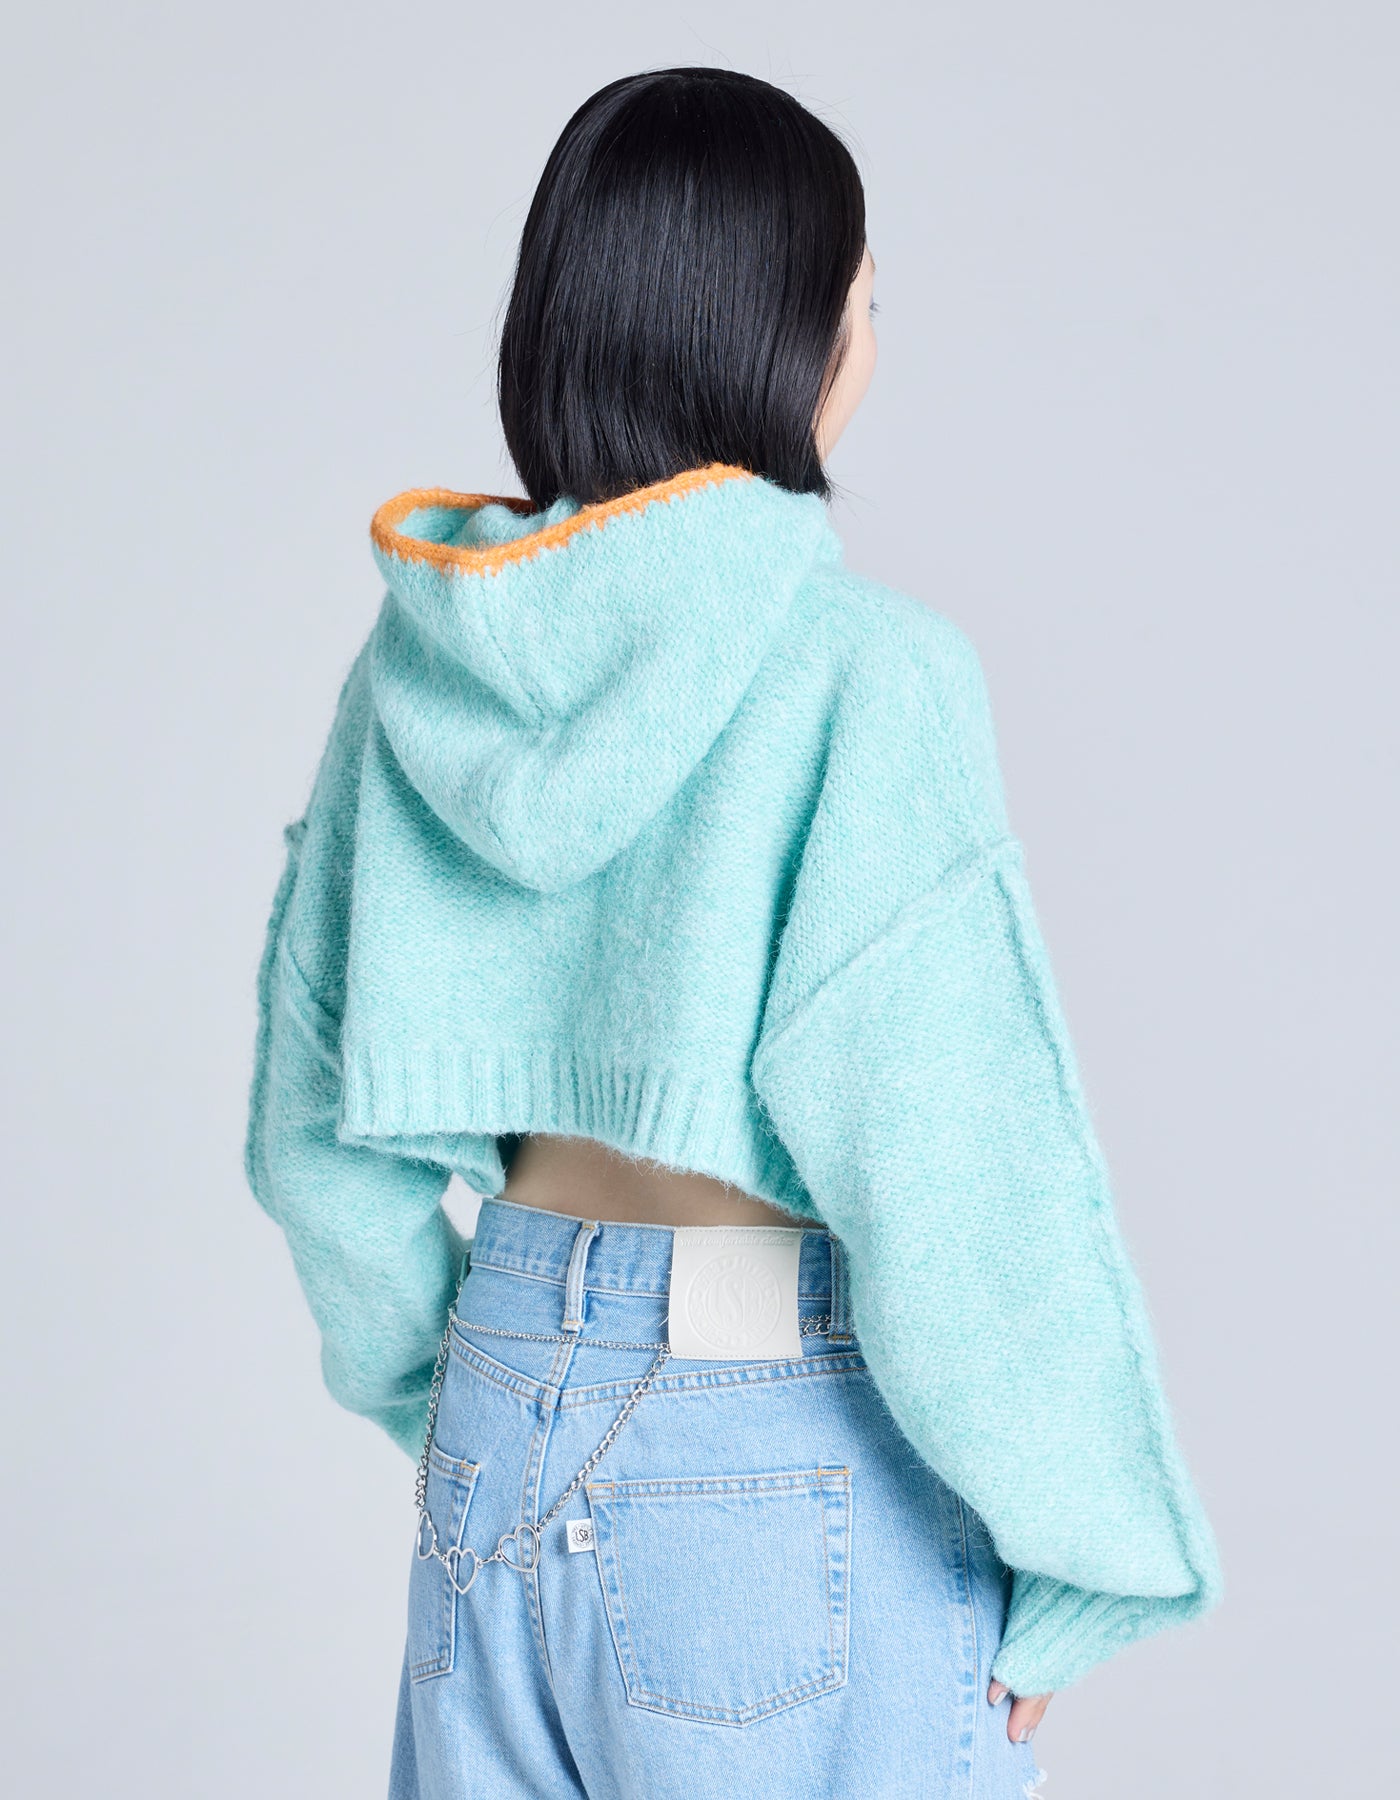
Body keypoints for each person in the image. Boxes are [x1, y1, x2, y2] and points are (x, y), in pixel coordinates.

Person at [244, 66, 1221, 1800]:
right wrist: (1092, 1552)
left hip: (495, 1429)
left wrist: (454, 1394)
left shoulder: (413, 677)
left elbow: (310, 1135)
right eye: (864, 304)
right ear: (796, 337)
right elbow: (955, 1175)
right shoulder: (867, 677)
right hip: (773, 1454)